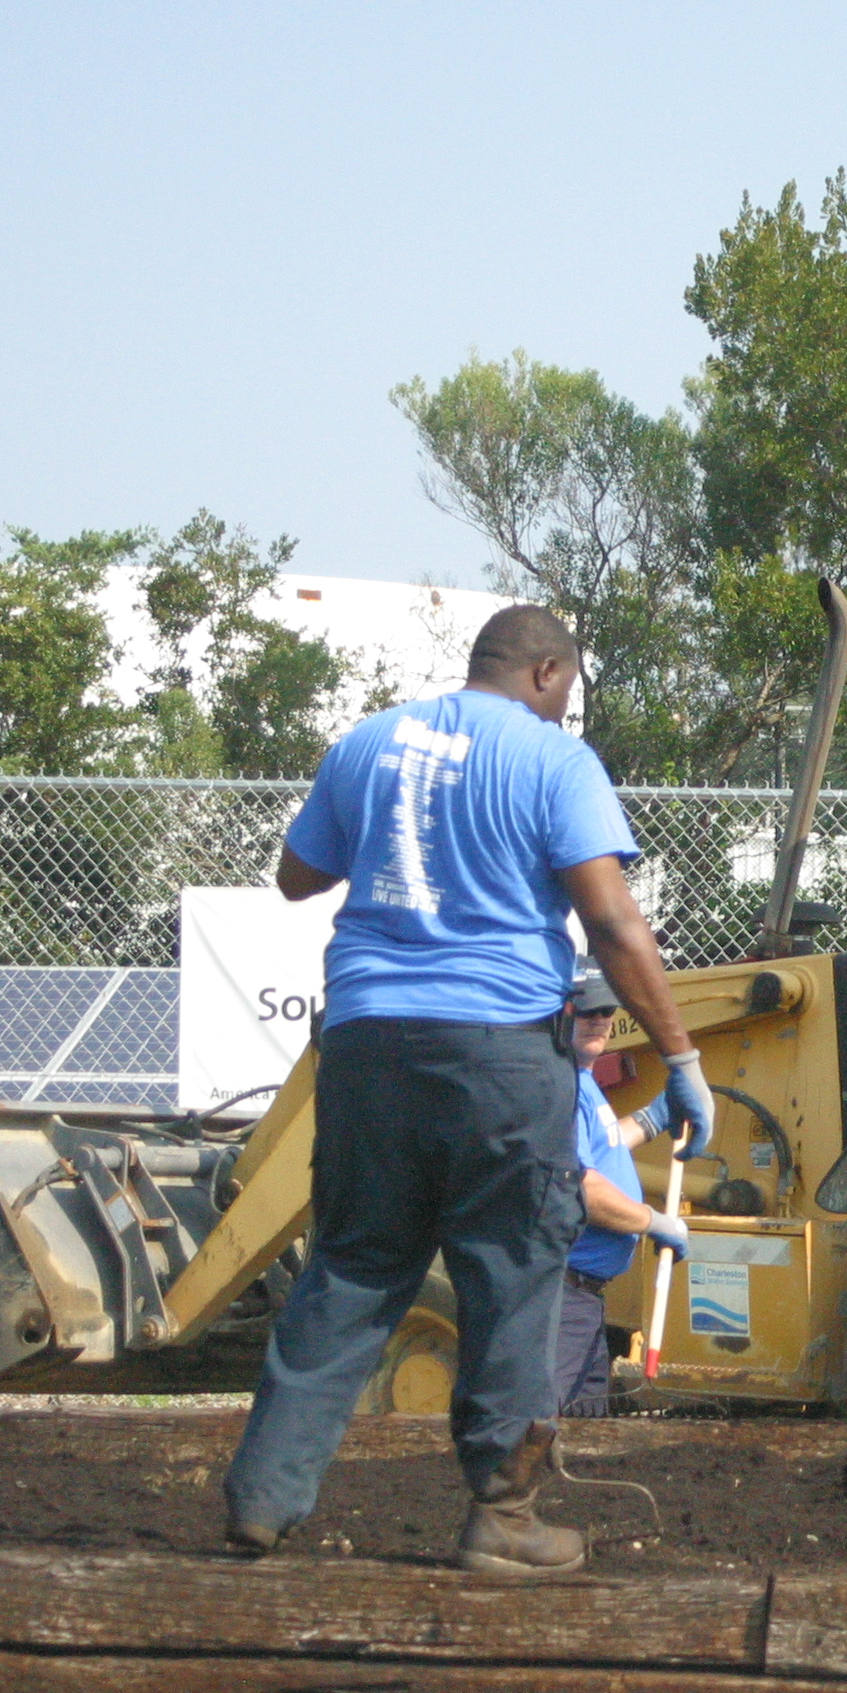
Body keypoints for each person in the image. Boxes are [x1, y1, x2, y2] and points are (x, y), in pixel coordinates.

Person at [221, 604, 716, 1579]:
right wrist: (682, 1057)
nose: (567, 705)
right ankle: (503, 1515)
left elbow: (295, 875)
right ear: (544, 672)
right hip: (497, 1049)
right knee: (513, 1266)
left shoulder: (367, 740)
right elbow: (611, 919)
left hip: (365, 1041)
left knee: (357, 1262)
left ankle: (263, 1497)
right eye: (567, 687)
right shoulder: (551, 759)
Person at [552, 961, 689, 1419]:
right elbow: (581, 1189)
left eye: (607, 1010)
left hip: (583, 1298)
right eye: (587, 1010)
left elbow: (601, 1147)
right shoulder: (562, 1086)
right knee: (535, 1423)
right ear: (559, 1012)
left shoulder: (584, 1082)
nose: (599, 1020)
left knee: (585, 1427)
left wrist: (654, 1118)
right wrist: (654, 1221)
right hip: (559, 1294)